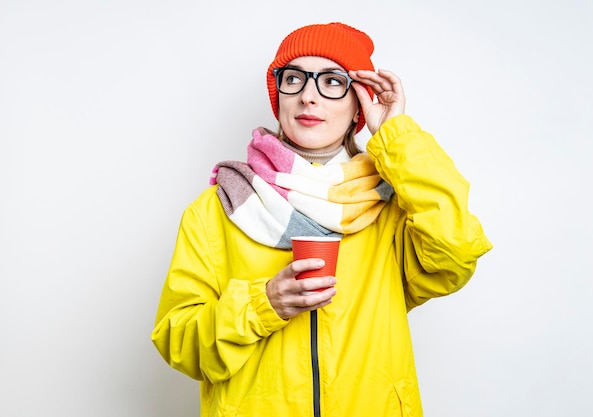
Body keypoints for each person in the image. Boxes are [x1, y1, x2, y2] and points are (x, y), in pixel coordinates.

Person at [151, 22, 492, 417]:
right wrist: (262, 306)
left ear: (359, 107)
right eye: (294, 79)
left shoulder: (394, 206)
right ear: (279, 97)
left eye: (332, 81)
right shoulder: (220, 205)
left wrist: (396, 135)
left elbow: (457, 253)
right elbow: (179, 343)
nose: (308, 96)